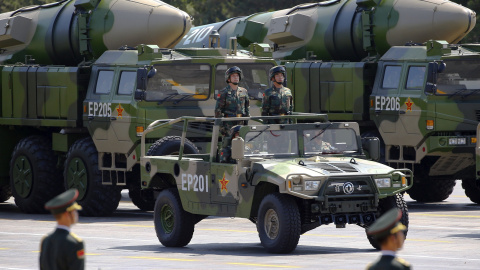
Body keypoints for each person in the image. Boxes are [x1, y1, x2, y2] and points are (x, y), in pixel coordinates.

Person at [40, 189, 85, 270]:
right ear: (66, 214)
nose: (76, 214)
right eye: (74, 211)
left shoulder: (46, 240)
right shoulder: (75, 243)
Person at [215, 66, 250, 136]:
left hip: (241, 123)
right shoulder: (223, 92)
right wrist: (222, 128)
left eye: (237, 76)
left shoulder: (243, 91)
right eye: (233, 76)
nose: (236, 77)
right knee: (228, 144)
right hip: (228, 124)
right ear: (228, 79)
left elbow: (247, 108)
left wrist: (246, 123)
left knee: (241, 144)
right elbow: (218, 111)